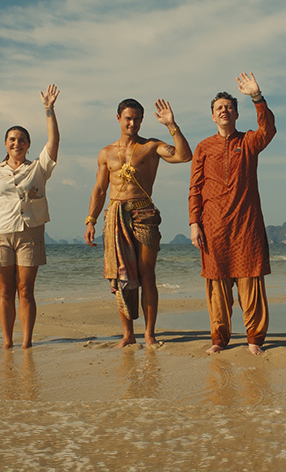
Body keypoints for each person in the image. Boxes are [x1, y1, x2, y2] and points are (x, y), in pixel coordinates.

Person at [84, 98, 192, 348]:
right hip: (115, 217)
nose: (133, 123)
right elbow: (100, 189)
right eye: (128, 118)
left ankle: (150, 334)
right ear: (119, 118)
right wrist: (91, 220)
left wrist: (171, 125)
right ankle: (127, 334)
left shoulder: (151, 146)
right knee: (121, 277)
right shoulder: (106, 153)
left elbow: (184, 156)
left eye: (137, 119)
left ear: (142, 120)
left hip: (144, 214)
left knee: (147, 276)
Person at [189, 73, 276, 356]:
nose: (224, 111)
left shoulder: (249, 141)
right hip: (213, 226)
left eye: (228, 107)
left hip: (246, 225)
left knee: (251, 282)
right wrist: (194, 223)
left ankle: (254, 340)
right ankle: (219, 338)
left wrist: (257, 97)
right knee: (216, 285)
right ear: (212, 117)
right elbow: (195, 188)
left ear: (237, 113)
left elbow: (268, 130)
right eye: (219, 109)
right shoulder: (203, 147)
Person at [0, 85, 61, 349]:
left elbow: (54, 142)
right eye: (12, 139)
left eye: (22, 140)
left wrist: (49, 110)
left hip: (30, 233)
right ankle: (8, 342)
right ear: (5, 144)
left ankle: (27, 342)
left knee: (26, 290)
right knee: (5, 292)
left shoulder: (38, 169)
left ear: (28, 144)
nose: (17, 143)